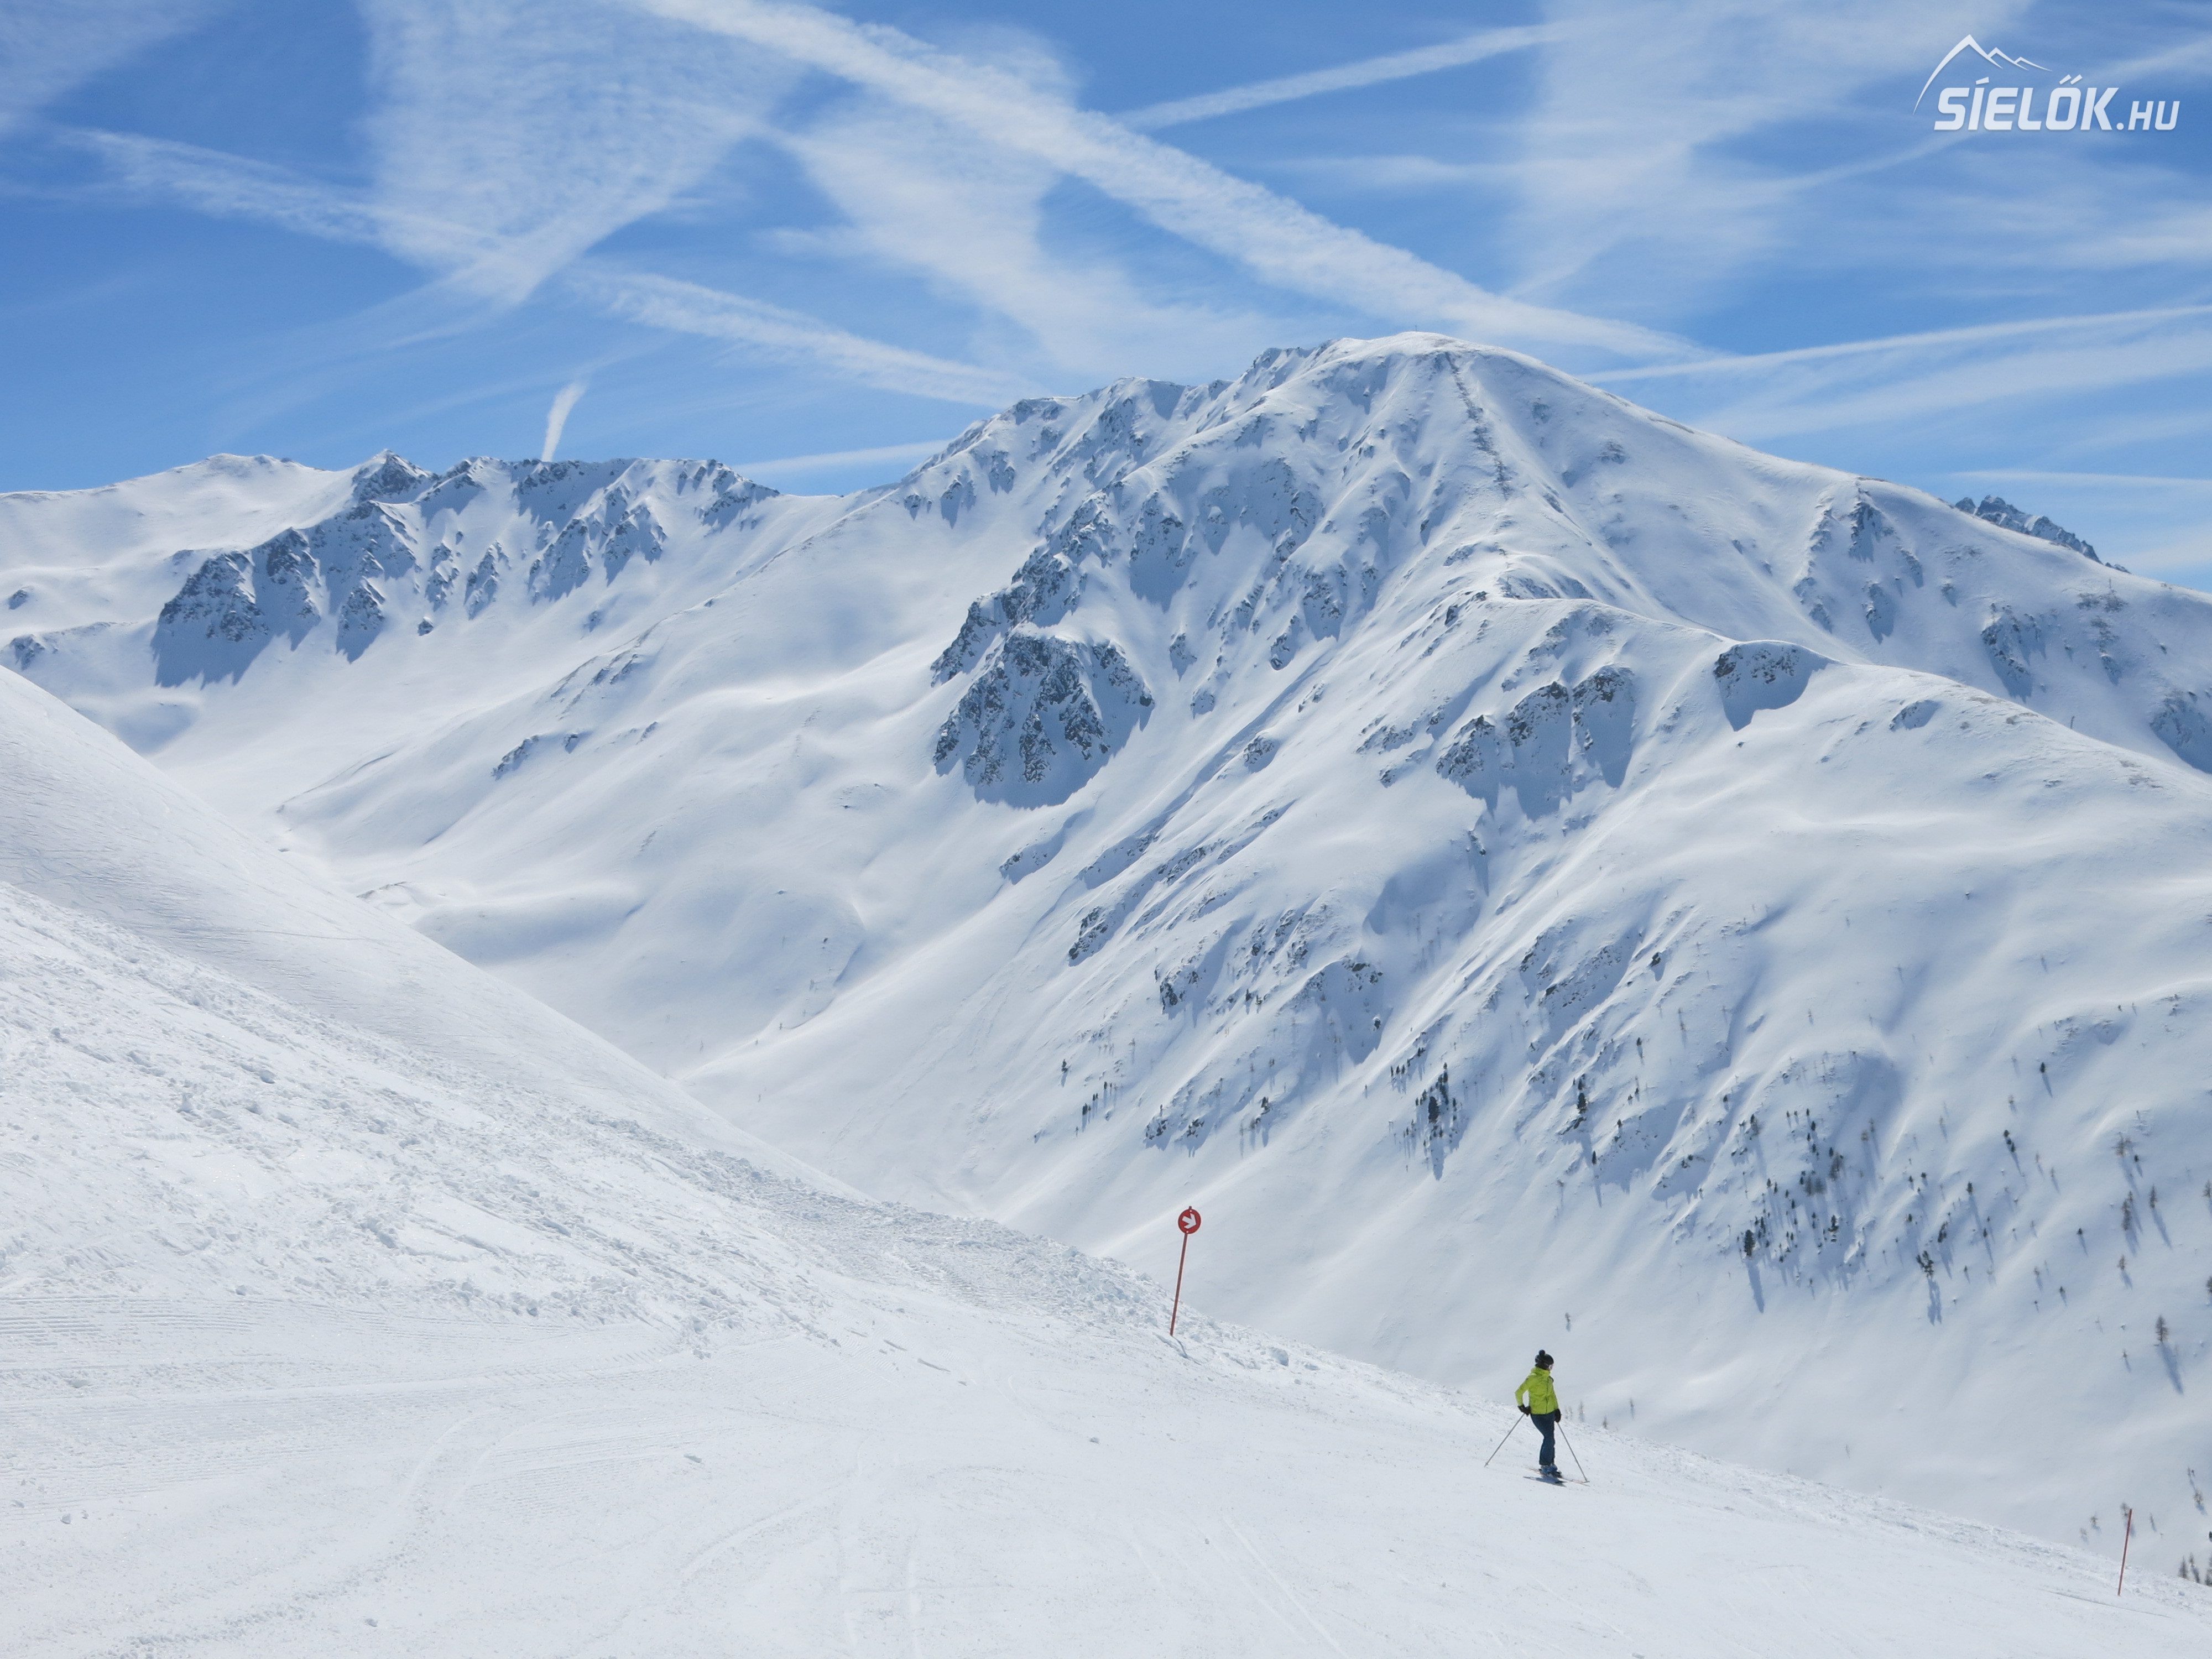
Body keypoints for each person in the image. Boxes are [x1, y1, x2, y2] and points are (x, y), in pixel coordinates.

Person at [1516, 1350, 1562, 1478]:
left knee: (1551, 1439)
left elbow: (1552, 1395)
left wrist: (1557, 1410)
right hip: (1538, 1414)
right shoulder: (1533, 1378)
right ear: (1544, 1365)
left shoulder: (1548, 1379)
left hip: (1550, 1414)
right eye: (1550, 1366)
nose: (1551, 1369)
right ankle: (1545, 1465)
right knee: (1549, 1438)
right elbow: (1519, 1392)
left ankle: (1551, 1464)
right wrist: (1522, 1407)